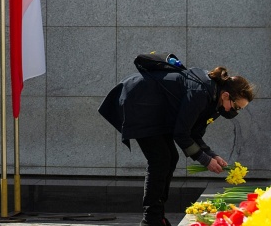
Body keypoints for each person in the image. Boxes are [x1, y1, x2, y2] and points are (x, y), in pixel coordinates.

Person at [98, 56, 255, 226]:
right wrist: (205, 160)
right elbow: (181, 133)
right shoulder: (201, 93)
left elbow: (193, 132)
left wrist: (211, 154)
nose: (235, 112)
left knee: (170, 157)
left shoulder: (214, 98)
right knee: (160, 159)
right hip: (140, 102)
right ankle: (151, 220)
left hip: (155, 110)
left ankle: (157, 216)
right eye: (236, 107)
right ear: (226, 95)